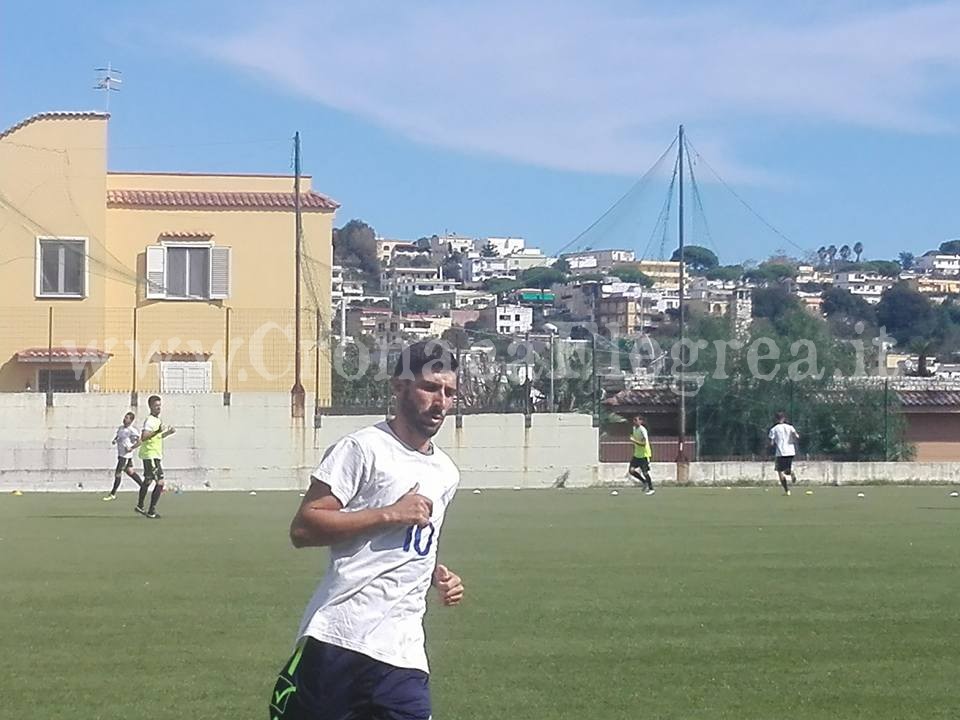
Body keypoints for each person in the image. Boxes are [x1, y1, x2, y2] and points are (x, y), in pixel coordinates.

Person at [269, 340, 465, 720]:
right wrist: (388, 514)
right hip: (342, 638)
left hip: (403, 654)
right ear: (399, 387)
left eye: (450, 392)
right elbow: (304, 527)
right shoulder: (362, 449)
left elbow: (411, 545)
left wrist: (436, 577)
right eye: (430, 388)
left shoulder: (446, 473)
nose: (440, 402)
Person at [137, 395, 175, 519]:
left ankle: (140, 506)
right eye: (156, 406)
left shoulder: (157, 420)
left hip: (153, 455)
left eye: (159, 405)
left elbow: (155, 437)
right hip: (151, 454)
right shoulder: (150, 421)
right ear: (150, 406)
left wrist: (166, 433)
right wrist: (158, 431)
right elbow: (144, 436)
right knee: (160, 482)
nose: (159, 408)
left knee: (148, 481)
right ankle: (151, 510)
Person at [104, 411, 143, 501]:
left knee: (118, 473)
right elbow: (118, 437)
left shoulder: (132, 430)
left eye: (127, 418)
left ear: (131, 420)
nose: (124, 419)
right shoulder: (121, 428)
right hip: (121, 454)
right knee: (130, 471)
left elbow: (140, 441)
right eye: (124, 417)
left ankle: (113, 493)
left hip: (125, 456)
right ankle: (143, 486)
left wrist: (131, 448)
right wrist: (115, 440)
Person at [768, 411, 800, 495]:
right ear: (784, 418)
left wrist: (770, 446)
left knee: (780, 471)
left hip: (781, 452)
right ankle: (791, 472)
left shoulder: (774, 429)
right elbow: (797, 436)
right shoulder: (790, 427)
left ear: (776, 419)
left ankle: (787, 491)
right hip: (790, 451)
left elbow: (771, 442)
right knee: (786, 470)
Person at [628, 415, 655, 495]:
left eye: (636, 420)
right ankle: (644, 482)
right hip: (637, 455)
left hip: (644, 454)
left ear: (641, 421)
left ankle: (651, 489)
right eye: (634, 420)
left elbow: (643, 444)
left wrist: (634, 441)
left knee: (645, 472)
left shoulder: (642, 430)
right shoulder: (634, 429)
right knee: (631, 470)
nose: (635, 421)